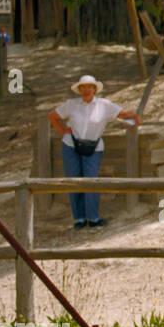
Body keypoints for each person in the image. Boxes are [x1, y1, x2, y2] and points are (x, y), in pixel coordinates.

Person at [48, 76, 143, 229]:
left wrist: (135, 118)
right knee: (73, 181)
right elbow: (52, 116)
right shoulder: (71, 105)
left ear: (94, 89)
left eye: (89, 87)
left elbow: (124, 115)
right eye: (83, 87)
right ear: (79, 90)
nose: (86, 90)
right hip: (71, 145)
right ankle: (79, 219)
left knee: (92, 181)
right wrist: (63, 131)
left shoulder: (104, 105)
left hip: (94, 147)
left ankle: (93, 218)